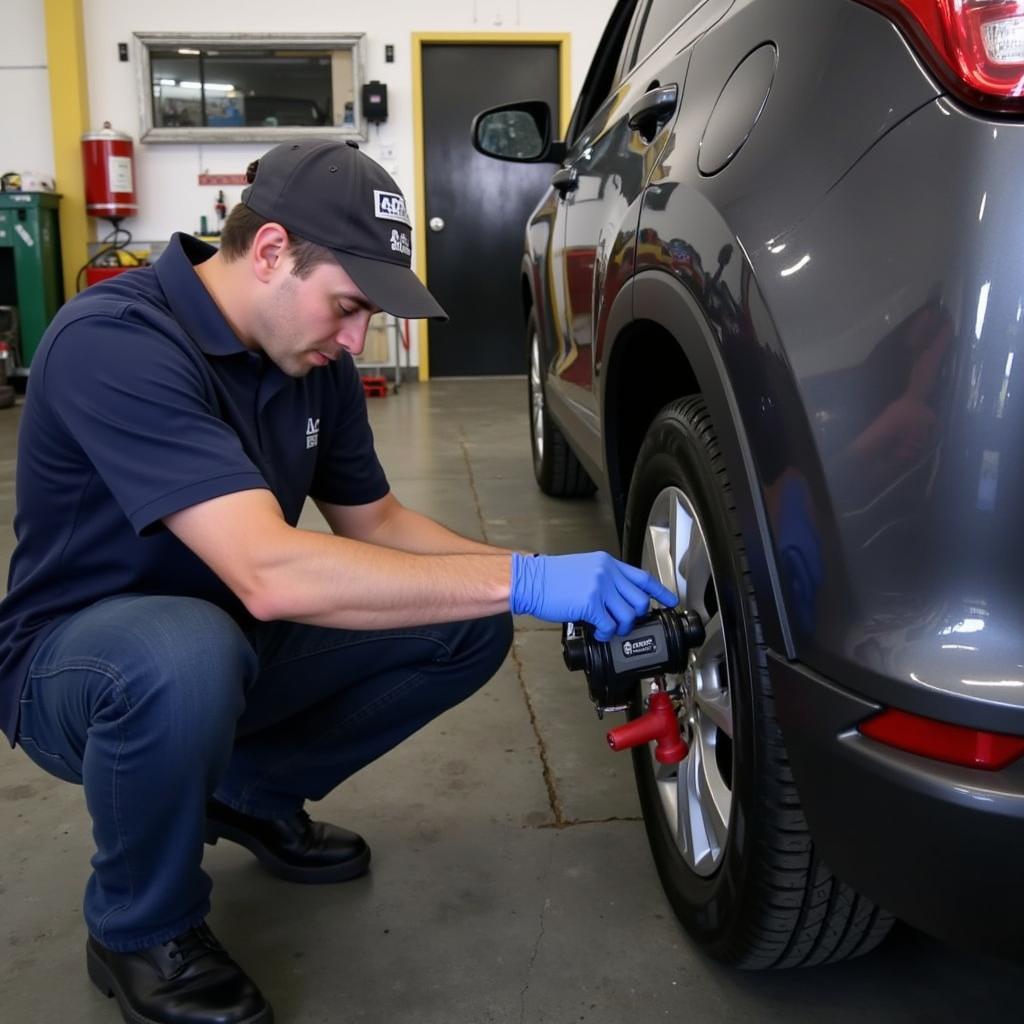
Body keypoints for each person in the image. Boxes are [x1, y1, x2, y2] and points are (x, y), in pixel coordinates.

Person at [0, 139, 676, 1024]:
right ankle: (138, 931)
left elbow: (380, 524)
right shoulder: (115, 341)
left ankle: (246, 796)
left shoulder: (309, 360)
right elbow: (269, 572)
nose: (358, 339)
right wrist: (530, 578)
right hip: (82, 665)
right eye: (349, 306)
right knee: (181, 655)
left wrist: (539, 581)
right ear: (272, 251)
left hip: (228, 637)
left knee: (464, 623)